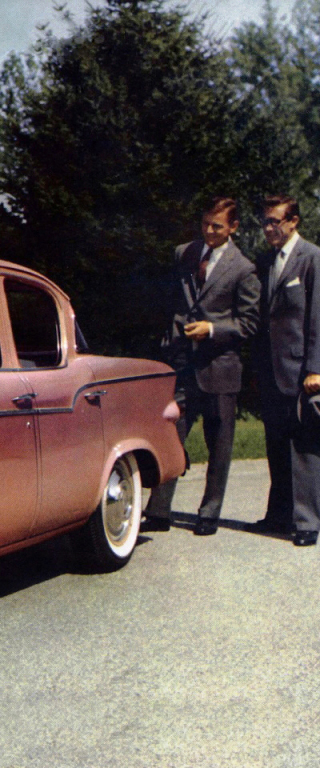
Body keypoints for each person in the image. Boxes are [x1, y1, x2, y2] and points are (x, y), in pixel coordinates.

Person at [143, 197, 260, 536]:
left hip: (220, 368)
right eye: (206, 223)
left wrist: (212, 329)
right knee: (170, 435)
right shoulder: (185, 253)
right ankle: (159, 510)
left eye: (218, 226)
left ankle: (209, 512)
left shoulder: (243, 269)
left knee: (219, 445)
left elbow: (249, 323)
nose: (209, 231)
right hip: (183, 365)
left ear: (234, 228)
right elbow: (174, 300)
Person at [250, 194, 320, 546]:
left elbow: (317, 318)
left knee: (304, 444)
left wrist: (315, 368)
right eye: (265, 221)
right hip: (271, 368)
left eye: (275, 221)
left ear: (293, 221)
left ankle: (307, 521)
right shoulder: (265, 261)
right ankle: (278, 515)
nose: (268, 228)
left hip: (300, 369)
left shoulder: (312, 258)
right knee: (276, 442)